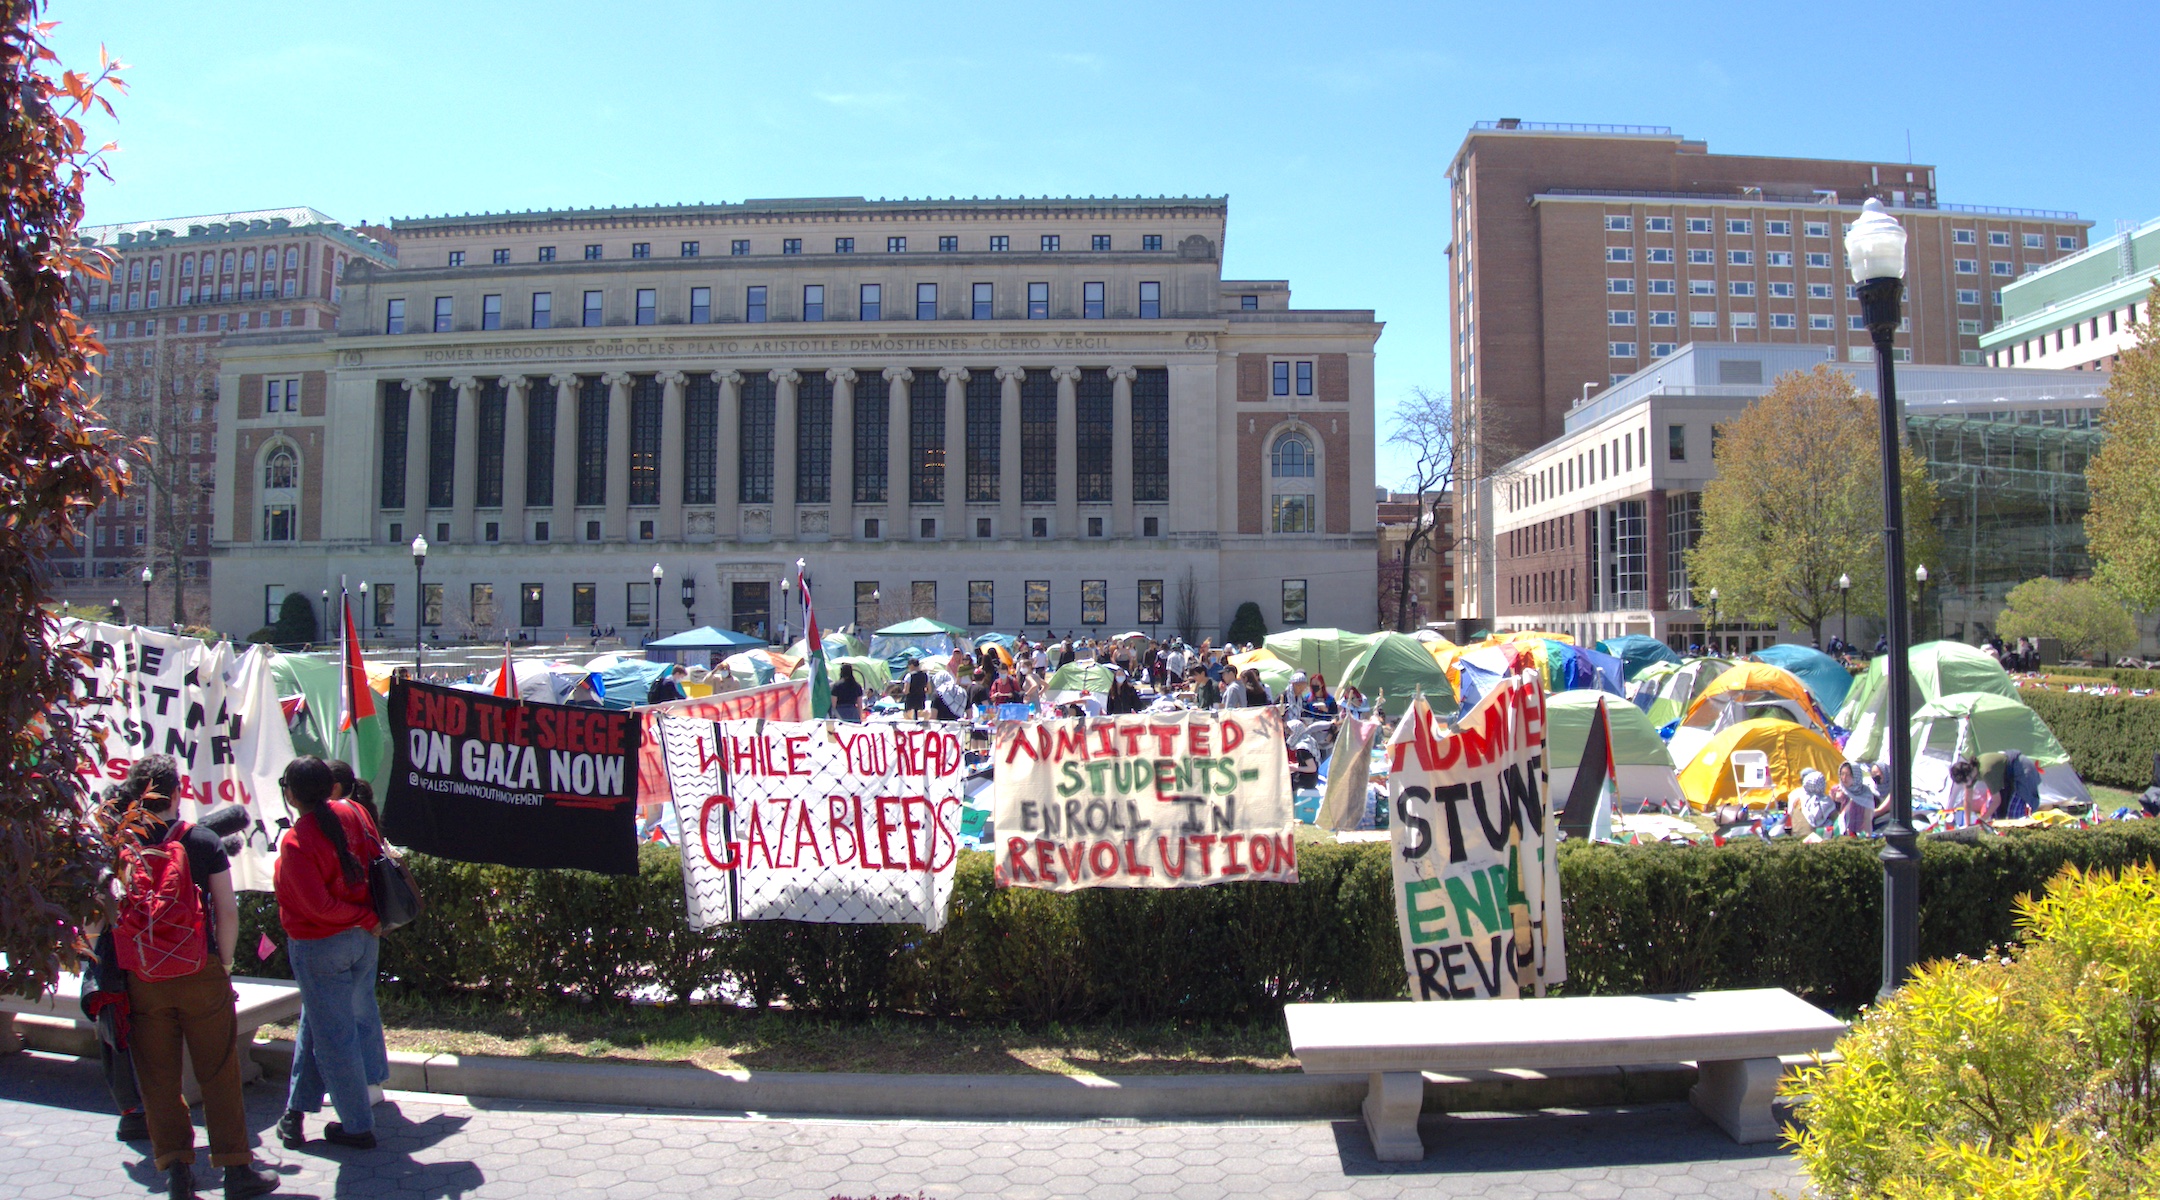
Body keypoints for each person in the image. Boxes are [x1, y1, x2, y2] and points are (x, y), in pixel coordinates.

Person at [112, 755, 281, 1199]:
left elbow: (102, 918)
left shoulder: (120, 844)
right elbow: (227, 910)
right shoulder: (202, 840)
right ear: (176, 793)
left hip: (144, 975)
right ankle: (236, 1170)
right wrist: (222, 965)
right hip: (199, 968)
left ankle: (176, 1173)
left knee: (158, 1078)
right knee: (219, 1070)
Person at [274, 755, 386, 1153]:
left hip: (322, 944)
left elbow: (318, 907)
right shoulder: (354, 812)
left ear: (291, 794)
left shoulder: (296, 841)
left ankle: (357, 1126)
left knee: (333, 1037)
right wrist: (367, 917)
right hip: (363, 939)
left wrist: (358, 916)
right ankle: (296, 1110)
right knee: (318, 1025)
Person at [1832, 761, 1876, 836]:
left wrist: (1868, 838)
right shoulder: (1837, 791)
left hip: (1859, 835)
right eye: (1842, 774)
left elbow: (1867, 820)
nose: (1844, 778)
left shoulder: (1865, 793)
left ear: (1856, 776)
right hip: (1838, 834)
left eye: (1848, 775)